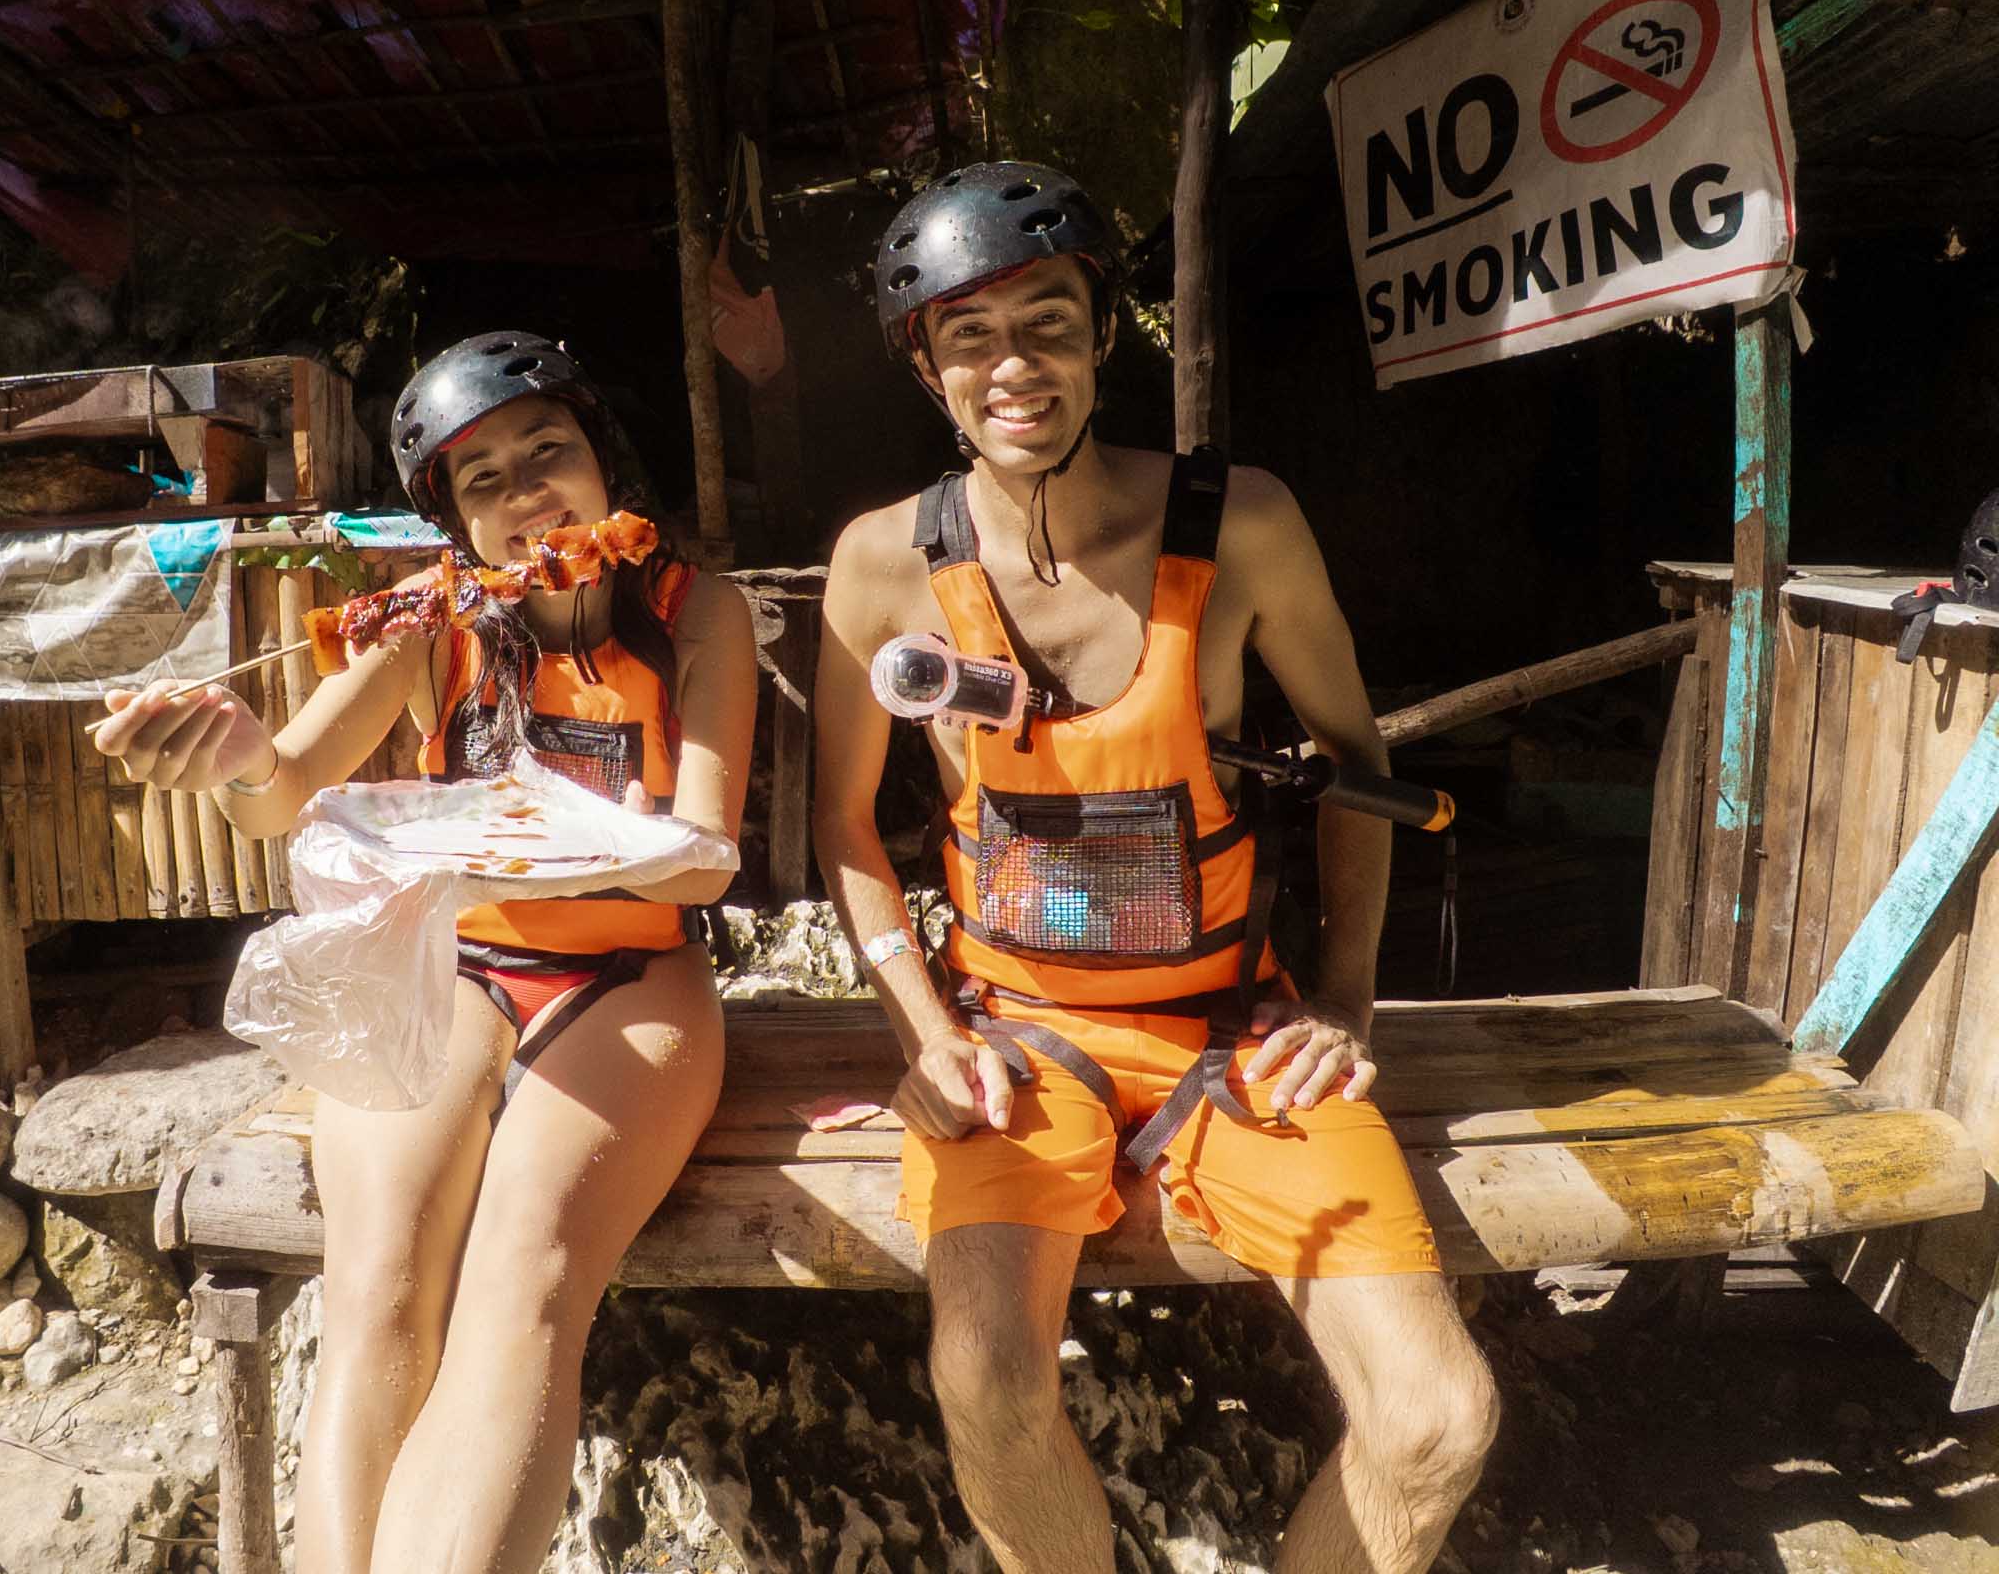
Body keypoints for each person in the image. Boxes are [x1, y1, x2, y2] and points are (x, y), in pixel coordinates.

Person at [812, 163, 1498, 1574]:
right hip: (1015, 1039)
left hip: (1237, 1034)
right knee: (986, 1384)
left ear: (1105, 331)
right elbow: (842, 830)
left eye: (1050, 322)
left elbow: (1352, 766)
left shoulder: (1237, 522)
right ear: (924, 361)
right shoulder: (885, 563)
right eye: (972, 334)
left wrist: (1348, 1006)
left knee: (1437, 1418)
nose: (1016, 366)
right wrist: (926, 1034)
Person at [95, 332, 756, 1574]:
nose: (525, 495)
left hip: (628, 976)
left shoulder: (694, 612)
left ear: (603, 458)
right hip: (452, 970)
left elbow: (709, 853)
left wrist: (562, 853)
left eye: (547, 453)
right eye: (483, 479)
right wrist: (231, 748)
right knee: (380, 1279)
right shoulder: (432, 618)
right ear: (452, 518)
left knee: (522, 1279)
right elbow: (283, 789)